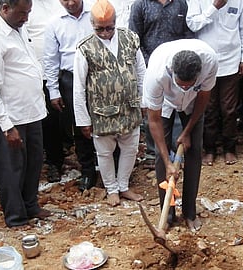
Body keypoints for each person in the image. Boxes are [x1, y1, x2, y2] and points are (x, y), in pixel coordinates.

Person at [0, 0, 52, 227]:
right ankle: (16, 217)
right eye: (22, 13)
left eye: (28, 13)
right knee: (11, 169)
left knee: (34, 163)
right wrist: (7, 126)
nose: (26, 18)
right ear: (5, 8)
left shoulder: (17, 26)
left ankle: (31, 205)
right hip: (10, 117)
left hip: (32, 110)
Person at [73, 0, 146, 206]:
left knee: (130, 148)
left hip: (130, 107)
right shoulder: (84, 48)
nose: (105, 32)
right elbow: (78, 87)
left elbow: (141, 71)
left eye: (109, 27)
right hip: (102, 113)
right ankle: (111, 189)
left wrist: (144, 101)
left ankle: (123, 186)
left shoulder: (130, 38)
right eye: (100, 29)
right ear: (92, 24)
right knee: (104, 153)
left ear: (115, 22)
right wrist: (83, 120)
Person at [143, 39, 218, 231]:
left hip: (193, 105)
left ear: (198, 75)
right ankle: (167, 214)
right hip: (166, 103)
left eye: (188, 85)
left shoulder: (209, 62)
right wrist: (169, 162)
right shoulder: (156, 73)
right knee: (163, 157)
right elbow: (154, 120)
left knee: (194, 153)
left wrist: (187, 131)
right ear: (172, 73)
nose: (184, 88)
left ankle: (190, 214)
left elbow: (203, 98)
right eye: (181, 84)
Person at [186, 0, 243, 166]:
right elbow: (192, 24)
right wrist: (214, 8)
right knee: (208, 108)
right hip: (205, 62)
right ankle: (210, 149)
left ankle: (229, 148)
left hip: (231, 61)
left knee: (229, 109)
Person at [129, 0, 193, 170]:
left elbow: (187, 33)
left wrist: (183, 63)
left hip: (178, 69)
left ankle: (177, 152)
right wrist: (149, 64)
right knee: (153, 110)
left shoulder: (181, 4)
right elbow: (134, 39)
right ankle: (153, 153)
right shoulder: (140, 5)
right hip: (151, 67)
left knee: (178, 108)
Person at [43, 0, 98, 190]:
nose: (71, 2)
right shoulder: (54, 22)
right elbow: (50, 60)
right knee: (80, 124)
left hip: (98, 76)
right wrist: (53, 90)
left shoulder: (96, 12)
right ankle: (88, 171)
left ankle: (111, 169)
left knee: (105, 120)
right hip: (71, 79)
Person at [27, 0, 68, 184]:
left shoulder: (60, 5)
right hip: (38, 74)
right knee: (48, 121)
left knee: (67, 118)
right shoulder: (27, 6)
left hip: (65, 71)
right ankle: (53, 163)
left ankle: (66, 155)